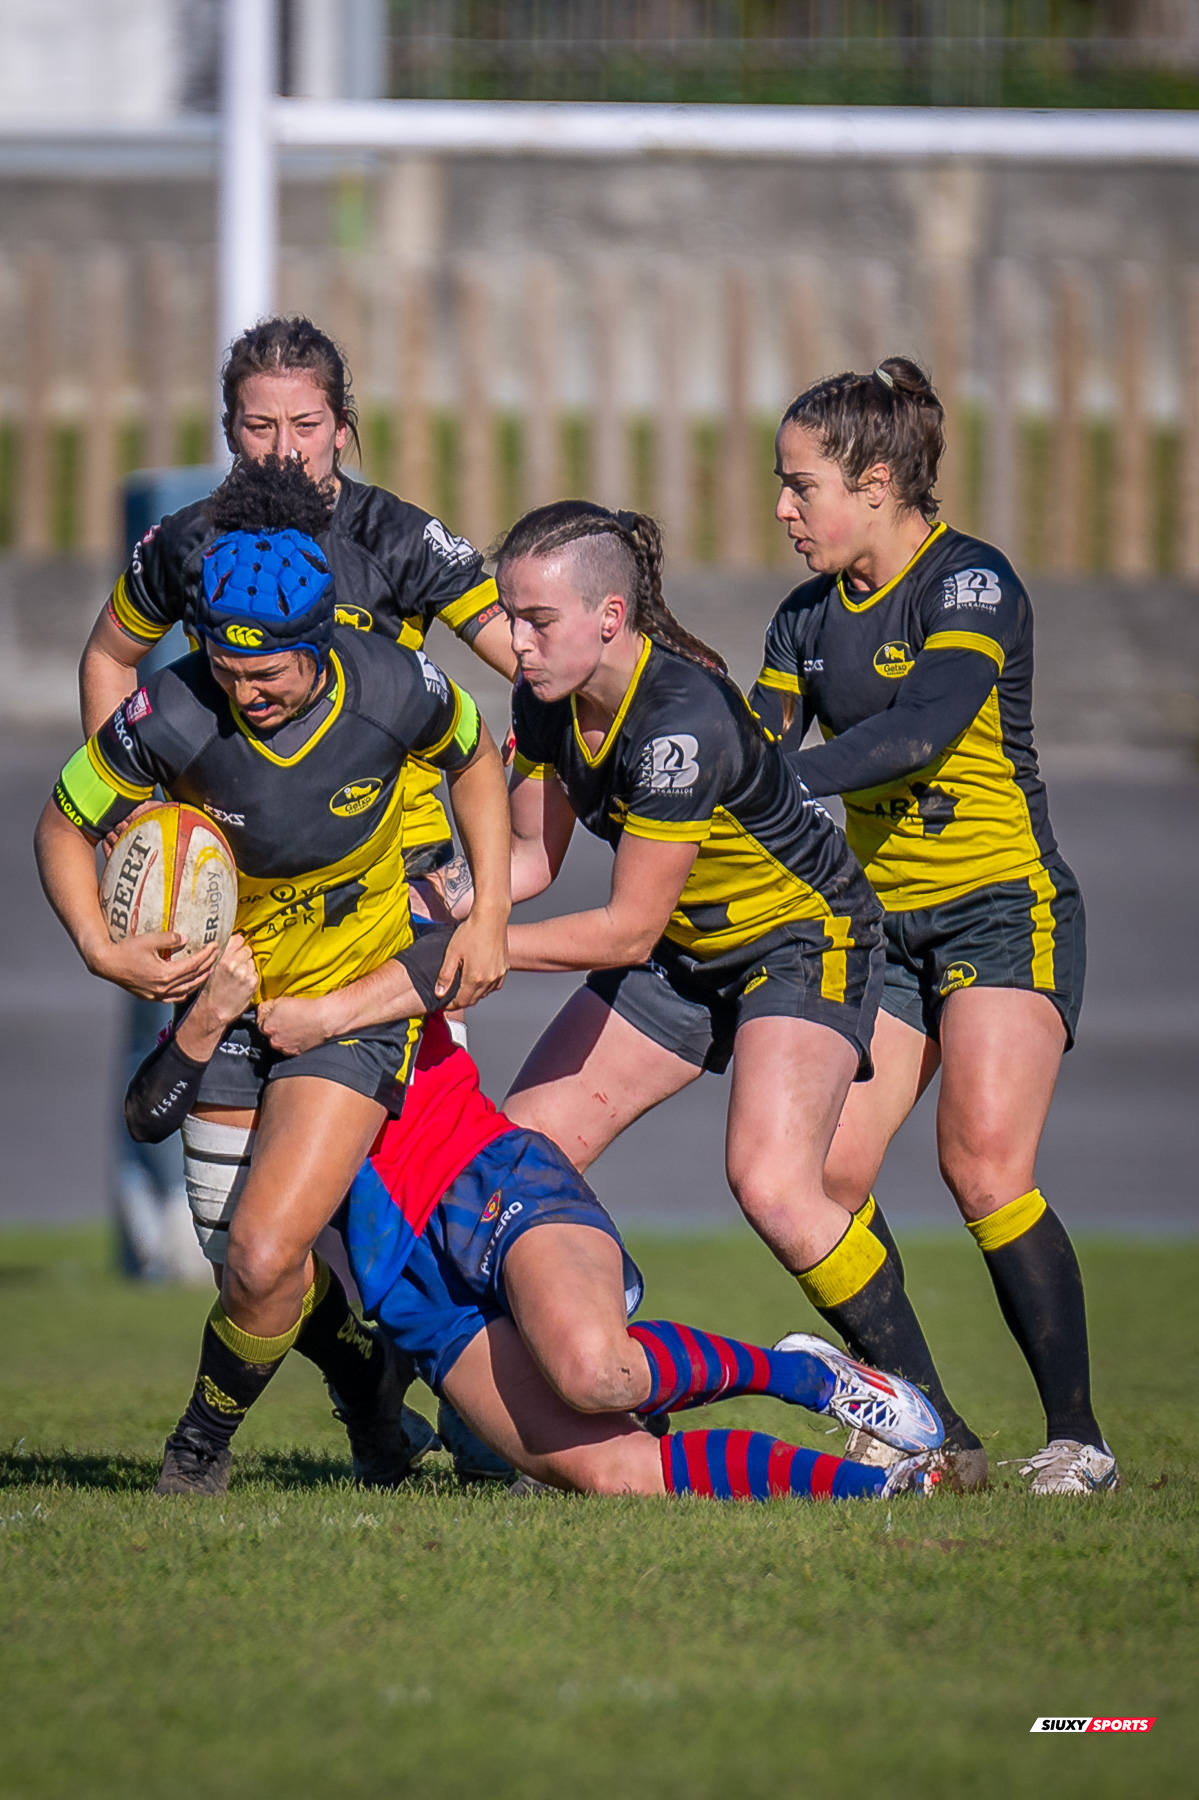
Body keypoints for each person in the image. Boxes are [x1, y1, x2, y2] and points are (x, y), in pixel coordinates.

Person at [422, 497, 980, 1489]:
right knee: (519, 1151)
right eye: (506, 616)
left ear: (608, 617)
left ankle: (931, 1421)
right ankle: (532, 1390)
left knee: (771, 1184)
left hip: (802, 939)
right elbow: (527, 862)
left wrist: (471, 952)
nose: (511, 639)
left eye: (534, 620)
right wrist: (422, 902)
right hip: (688, 950)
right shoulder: (541, 701)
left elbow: (623, 927)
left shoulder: (677, 720)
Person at [77, 314, 517, 1479]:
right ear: (229, 429)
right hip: (244, 908)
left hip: (399, 905)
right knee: (259, 1244)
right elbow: (108, 663)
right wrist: (146, 839)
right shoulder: (188, 545)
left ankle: (485, 1416)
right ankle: (376, 1391)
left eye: (304, 424)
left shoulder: (395, 536)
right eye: (256, 425)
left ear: (342, 423)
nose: (281, 448)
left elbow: (528, 663)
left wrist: (511, 859)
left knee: (404, 1186)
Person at [125, 923, 947, 1505]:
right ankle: (888, 1487)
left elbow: (463, 933)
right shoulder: (222, 989)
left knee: (598, 1374)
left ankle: (811, 1377)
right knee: (614, 1473)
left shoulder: (376, 921)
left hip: (487, 1184)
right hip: (413, 1296)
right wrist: (203, 1011)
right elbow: (156, 1121)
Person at [749, 357, 1118, 1497]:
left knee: (982, 1167)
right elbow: (751, 758)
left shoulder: (970, 585)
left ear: (872, 483)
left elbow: (917, 731)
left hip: (1003, 910)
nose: (781, 509)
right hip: (879, 931)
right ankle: (925, 1420)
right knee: (821, 1178)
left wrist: (773, 785)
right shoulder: (802, 617)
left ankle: (1076, 1441)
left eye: (797, 484)